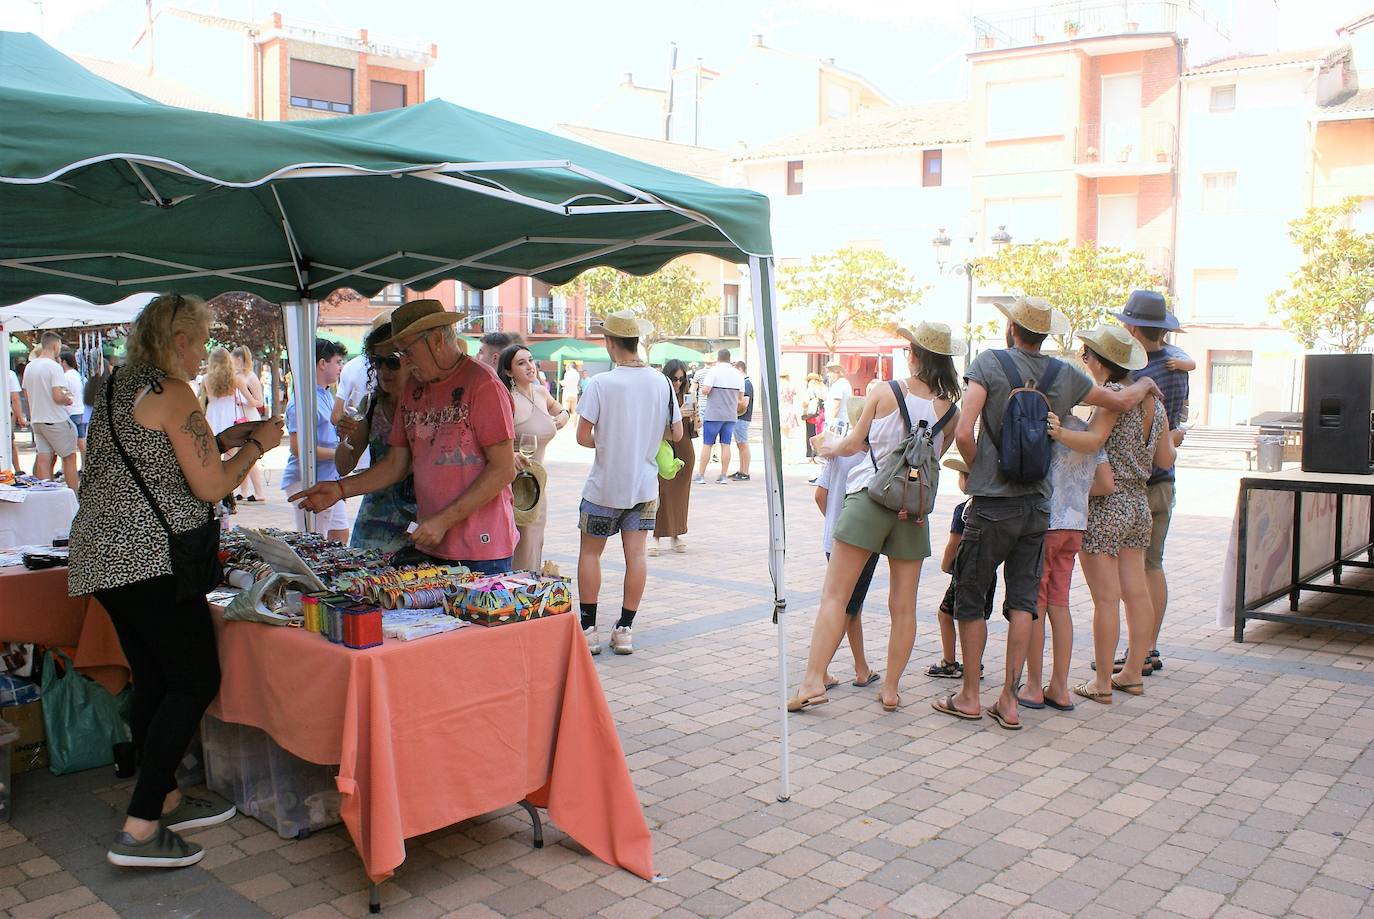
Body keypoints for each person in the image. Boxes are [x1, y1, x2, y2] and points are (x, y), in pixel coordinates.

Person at [68, 293, 284, 869]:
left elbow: (150, 459)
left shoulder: (118, 384)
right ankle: (139, 828)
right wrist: (260, 444)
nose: (204, 352)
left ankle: (160, 792)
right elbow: (212, 488)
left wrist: (221, 442)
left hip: (102, 555)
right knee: (194, 677)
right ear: (178, 340)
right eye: (201, 340)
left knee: (156, 676)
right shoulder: (173, 391)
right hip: (152, 561)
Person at [940, 298, 1161, 730]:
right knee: (1025, 601)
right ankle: (1009, 699)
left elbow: (964, 431)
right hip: (1038, 505)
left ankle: (969, 695)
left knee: (971, 597)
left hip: (992, 505)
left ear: (1012, 329)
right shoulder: (1065, 375)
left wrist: (983, 469)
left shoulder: (989, 363)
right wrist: (1145, 385)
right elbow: (1116, 402)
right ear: (1044, 334)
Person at [790, 322, 963, 714]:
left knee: (836, 595)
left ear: (915, 355)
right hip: (913, 509)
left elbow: (853, 443)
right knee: (903, 605)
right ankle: (890, 689)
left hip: (870, 499)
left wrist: (829, 446)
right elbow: (937, 455)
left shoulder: (884, 391)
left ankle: (813, 680)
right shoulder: (950, 410)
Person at [291, 300, 518, 574]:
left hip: (481, 550)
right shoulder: (414, 389)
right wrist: (340, 489)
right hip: (430, 545)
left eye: (406, 353)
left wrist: (443, 521)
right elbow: (397, 463)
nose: (405, 362)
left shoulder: (482, 384)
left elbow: (503, 469)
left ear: (435, 340)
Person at [1052, 326, 1174, 704]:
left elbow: (1092, 442)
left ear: (1100, 361)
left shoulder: (1114, 398)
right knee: (1136, 591)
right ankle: (1132, 673)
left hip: (1107, 504)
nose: (1084, 363)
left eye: (1086, 357)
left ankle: (1102, 681)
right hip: (1139, 502)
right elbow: (1166, 458)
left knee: (1105, 599)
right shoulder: (1155, 401)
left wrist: (1058, 432)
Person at [576, 312, 681, 655]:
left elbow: (582, 436)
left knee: (591, 553)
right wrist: (644, 438)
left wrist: (609, 442)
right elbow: (677, 432)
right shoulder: (662, 382)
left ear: (609, 343)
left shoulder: (601, 384)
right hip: (645, 487)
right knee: (636, 557)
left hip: (604, 486)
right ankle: (624, 630)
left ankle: (588, 629)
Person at [1117, 290, 1192, 676]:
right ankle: (1148, 647)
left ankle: (1139, 654)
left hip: (1139, 482)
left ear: (1132, 327)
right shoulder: (1177, 364)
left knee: (1139, 570)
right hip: (1165, 479)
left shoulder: (1142, 372)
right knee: (1152, 565)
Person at [1018, 414, 1111, 712]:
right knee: (1060, 603)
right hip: (1075, 525)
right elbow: (1106, 483)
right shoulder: (1089, 431)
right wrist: (1078, 492)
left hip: (1045, 523)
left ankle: (1033, 685)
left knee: (1037, 603)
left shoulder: (1046, 428)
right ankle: (1059, 686)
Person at [813, 398, 880, 689]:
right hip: (864, 539)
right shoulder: (876, 457)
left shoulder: (838, 453)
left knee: (846, 603)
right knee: (847, 607)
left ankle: (861, 666)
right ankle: (820, 670)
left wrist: (833, 519)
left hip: (833, 538)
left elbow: (820, 494)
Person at [335, 322, 418, 553]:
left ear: (411, 361)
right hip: (373, 518)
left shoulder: (426, 405)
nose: (383, 370)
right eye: (377, 362)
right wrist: (344, 439)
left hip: (417, 520)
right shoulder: (371, 405)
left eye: (391, 361)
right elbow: (343, 467)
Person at [499, 342, 569, 570]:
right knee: (523, 542)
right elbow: (495, 442)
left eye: (530, 360)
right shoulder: (508, 399)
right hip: (515, 484)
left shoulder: (540, 392)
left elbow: (560, 410)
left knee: (535, 541)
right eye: (521, 363)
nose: (530, 366)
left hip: (538, 483)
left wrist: (564, 415)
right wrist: (513, 453)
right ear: (509, 372)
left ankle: (530, 593)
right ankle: (518, 595)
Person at [927, 457, 996, 680]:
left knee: (945, 613)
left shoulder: (964, 509)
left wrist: (946, 564)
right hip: (989, 570)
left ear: (968, 481)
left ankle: (949, 662)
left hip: (965, 570)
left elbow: (953, 543)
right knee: (979, 617)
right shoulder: (996, 508)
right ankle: (975, 664)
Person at [281, 339, 350, 543]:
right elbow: (297, 448)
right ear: (322, 363)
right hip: (308, 480)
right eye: (338, 362)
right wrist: (337, 454)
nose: (340, 367)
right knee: (314, 543)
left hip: (326, 479)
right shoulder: (303, 400)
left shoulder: (326, 395)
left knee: (338, 535)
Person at [651, 359, 697, 556]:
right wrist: (676, 416)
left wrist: (694, 417)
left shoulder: (687, 396)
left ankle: (676, 533)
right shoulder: (660, 396)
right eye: (674, 379)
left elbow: (694, 430)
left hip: (685, 447)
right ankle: (655, 535)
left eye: (681, 379)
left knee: (681, 493)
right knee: (663, 491)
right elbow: (652, 423)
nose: (677, 383)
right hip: (665, 446)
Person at [22, 332, 78, 485]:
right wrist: (68, 399)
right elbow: (58, 396)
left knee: (43, 458)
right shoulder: (54, 367)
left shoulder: (29, 367)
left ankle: (46, 493)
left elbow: (27, 395)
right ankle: (73, 495)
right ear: (55, 345)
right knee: (69, 457)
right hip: (55, 419)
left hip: (37, 419)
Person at [693, 349, 744, 485]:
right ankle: (723, 475)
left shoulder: (714, 371)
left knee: (708, 444)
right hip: (730, 414)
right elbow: (741, 397)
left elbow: (705, 390)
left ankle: (701, 475)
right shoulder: (738, 374)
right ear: (729, 358)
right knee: (726, 444)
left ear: (718, 358)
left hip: (714, 413)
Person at [232, 346, 268, 502]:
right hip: (240, 417)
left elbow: (259, 401)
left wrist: (245, 401)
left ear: (239, 359)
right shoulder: (237, 375)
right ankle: (243, 491)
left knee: (249, 457)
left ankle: (259, 492)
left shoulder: (251, 377)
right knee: (241, 456)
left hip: (250, 418)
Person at [60, 351, 87, 470]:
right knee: (81, 441)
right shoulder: (79, 376)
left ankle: (66, 469)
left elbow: (63, 394)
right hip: (81, 410)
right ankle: (85, 466)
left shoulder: (65, 377)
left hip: (69, 412)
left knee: (66, 445)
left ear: (64, 362)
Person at [730, 360, 754, 481]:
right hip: (740, 417)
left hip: (742, 417)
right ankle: (742, 470)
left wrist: (733, 406)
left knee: (743, 445)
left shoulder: (746, 384)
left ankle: (745, 471)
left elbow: (744, 403)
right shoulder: (744, 383)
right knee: (740, 445)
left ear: (740, 370)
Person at [778, 371, 801, 462]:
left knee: (782, 434)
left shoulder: (779, 386)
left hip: (781, 409)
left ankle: (784, 454)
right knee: (787, 434)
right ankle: (788, 455)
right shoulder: (791, 386)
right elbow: (796, 398)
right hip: (790, 409)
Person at [803, 373, 826, 462]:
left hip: (811, 415)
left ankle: (811, 454)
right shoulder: (823, 389)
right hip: (821, 414)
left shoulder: (810, 390)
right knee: (819, 433)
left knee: (810, 434)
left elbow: (804, 402)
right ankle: (819, 453)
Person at [824, 362, 851, 434]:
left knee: (834, 443)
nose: (828, 375)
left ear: (836, 372)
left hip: (837, 423)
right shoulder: (844, 382)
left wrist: (831, 423)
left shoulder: (838, 384)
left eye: (829, 372)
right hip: (842, 421)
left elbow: (836, 406)